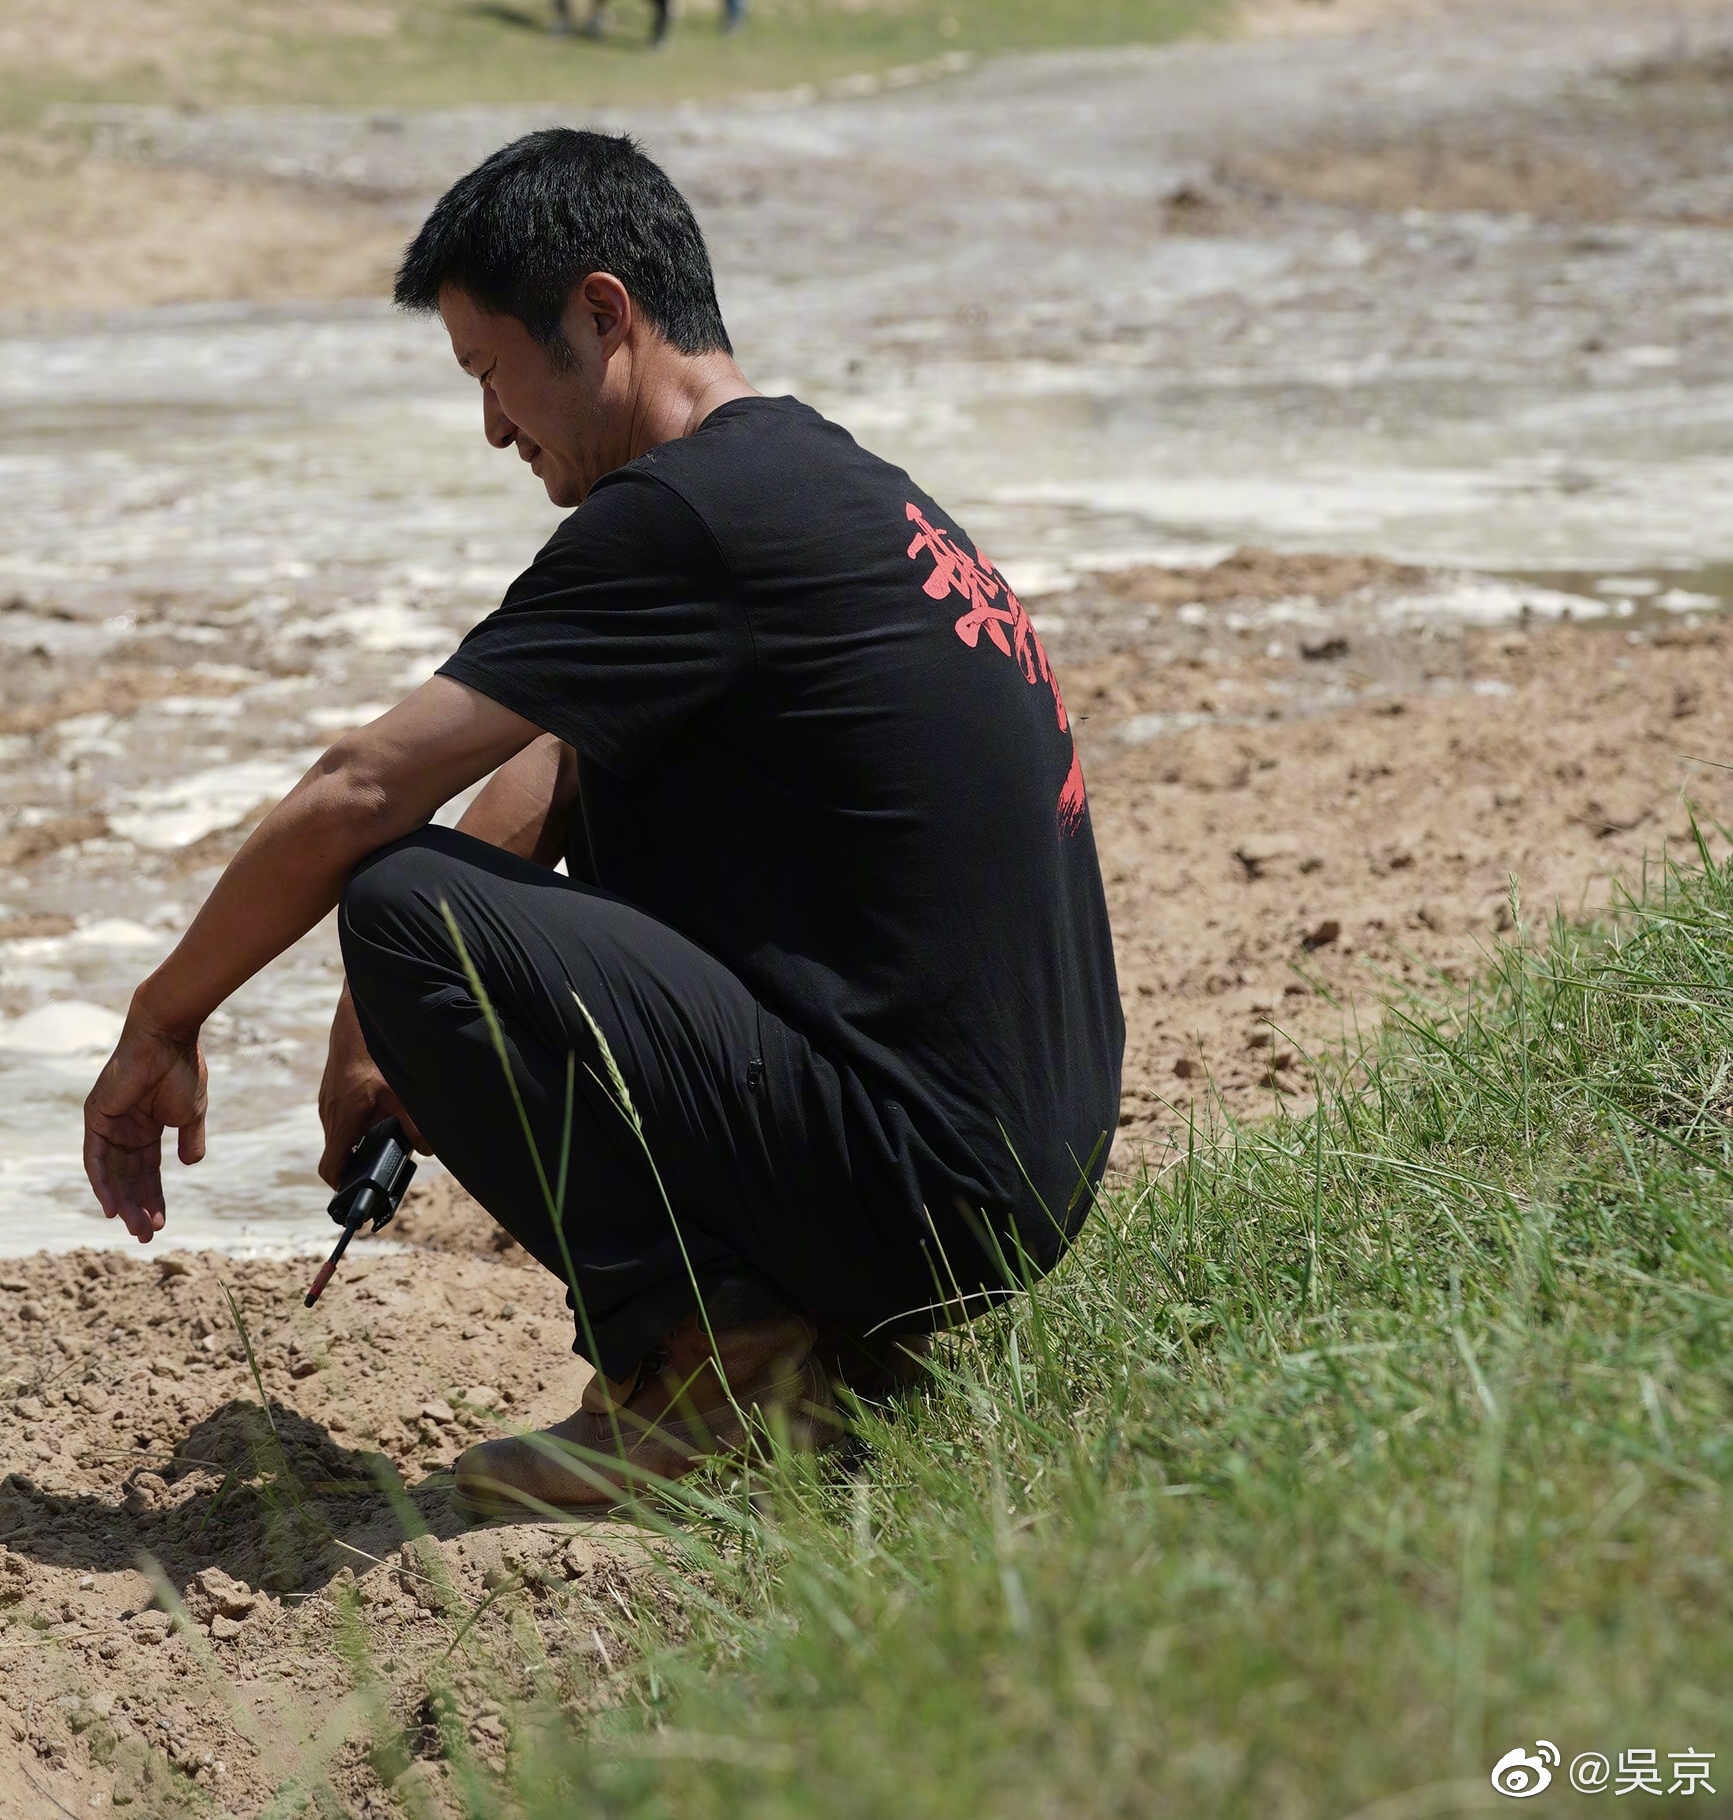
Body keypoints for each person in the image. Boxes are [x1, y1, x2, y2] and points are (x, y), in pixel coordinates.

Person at [82, 130, 1122, 1511]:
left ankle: (716, 1380)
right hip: (1011, 1179)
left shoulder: (684, 520)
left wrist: (165, 1021)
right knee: (477, 885)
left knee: (396, 902)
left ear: (601, 314)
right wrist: (377, 1034)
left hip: (924, 1186)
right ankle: (812, 1343)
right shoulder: (820, 484)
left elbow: (361, 789)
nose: (494, 427)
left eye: (487, 372)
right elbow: (559, 754)